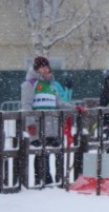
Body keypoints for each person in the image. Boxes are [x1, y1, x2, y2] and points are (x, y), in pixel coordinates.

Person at [21, 56, 72, 186]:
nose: (44, 69)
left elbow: (59, 102)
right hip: (39, 126)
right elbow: (26, 105)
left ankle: (59, 179)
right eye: (41, 67)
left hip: (54, 126)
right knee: (41, 154)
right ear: (36, 69)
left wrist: (73, 107)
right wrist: (30, 124)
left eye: (46, 66)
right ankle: (42, 179)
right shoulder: (30, 84)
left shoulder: (52, 85)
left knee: (57, 152)